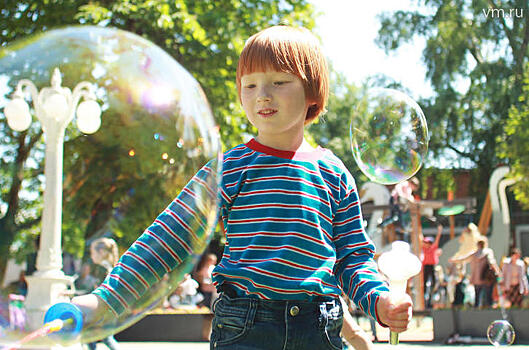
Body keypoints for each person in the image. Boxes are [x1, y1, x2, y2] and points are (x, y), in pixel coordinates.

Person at [71, 25, 413, 350]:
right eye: (249, 85)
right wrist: (105, 300)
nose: (262, 95)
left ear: (312, 92)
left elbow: (353, 258)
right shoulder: (230, 169)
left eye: (279, 82)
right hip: (246, 326)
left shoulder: (334, 174)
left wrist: (380, 300)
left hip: (318, 327)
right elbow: (170, 236)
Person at [449, 227, 499, 308]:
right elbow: (492, 262)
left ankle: (476, 309)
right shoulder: (488, 252)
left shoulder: (474, 254)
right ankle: (488, 308)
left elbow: (464, 258)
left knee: (477, 295)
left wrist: (454, 260)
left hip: (476, 278)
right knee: (488, 295)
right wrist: (498, 271)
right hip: (486, 278)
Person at [87, 238, 120, 350]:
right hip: (110, 309)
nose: (92, 256)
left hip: (103, 310)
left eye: (93, 253)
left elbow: (96, 289)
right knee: (106, 337)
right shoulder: (110, 268)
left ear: (101, 252)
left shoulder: (102, 269)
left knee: (91, 336)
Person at [420, 224, 443, 308]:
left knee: (434, 280)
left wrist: (439, 231)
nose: (426, 244)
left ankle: (433, 293)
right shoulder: (423, 248)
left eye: (428, 242)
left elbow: (437, 239)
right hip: (426, 266)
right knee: (425, 281)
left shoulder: (433, 248)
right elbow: (421, 239)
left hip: (432, 266)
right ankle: (425, 297)